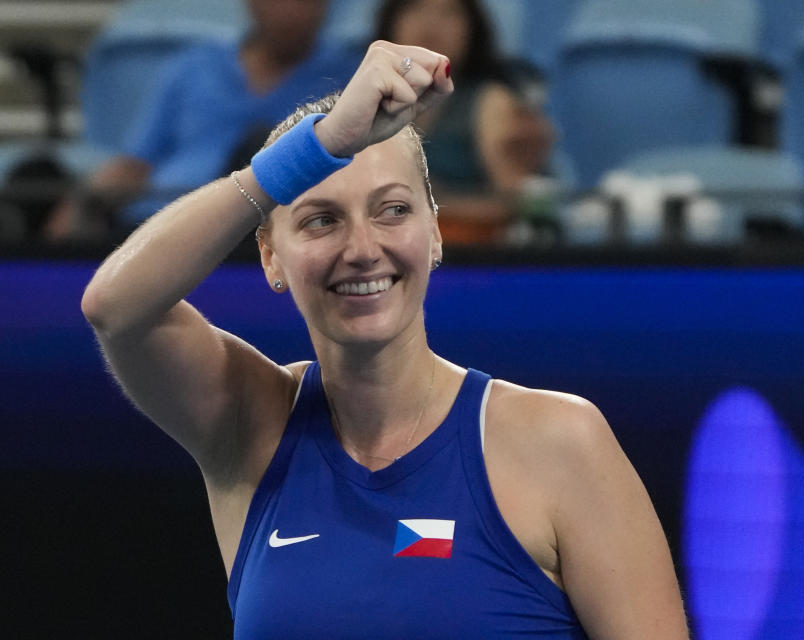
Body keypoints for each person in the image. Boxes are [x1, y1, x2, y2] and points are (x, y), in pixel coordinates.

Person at [81, 40, 689, 638]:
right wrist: (316, 148)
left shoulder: (560, 442)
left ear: (435, 233)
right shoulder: (251, 424)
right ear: (269, 255)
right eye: (321, 219)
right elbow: (116, 306)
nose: (363, 249)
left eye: (393, 210)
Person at [46, 0, 357, 243]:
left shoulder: (347, 79)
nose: (291, 12)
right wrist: (77, 207)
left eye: (306, 1)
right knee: (38, 176)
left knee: (257, 151)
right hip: (157, 225)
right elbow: (136, 164)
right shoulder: (193, 66)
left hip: (264, 233)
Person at [373, 0, 557, 245]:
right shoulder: (372, 103)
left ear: (472, 30)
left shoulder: (491, 101)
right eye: (415, 8)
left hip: (471, 259)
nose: (431, 24)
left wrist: (431, 202)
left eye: (449, 13)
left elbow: (518, 203)